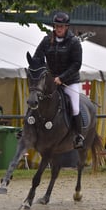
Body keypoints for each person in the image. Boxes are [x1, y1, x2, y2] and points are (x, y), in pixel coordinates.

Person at [33, 11, 84, 149]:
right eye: (56, 26)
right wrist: (39, 70)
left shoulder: (74, 42)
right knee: (35, 97)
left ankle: (78, 136)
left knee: (74, 107)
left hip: (69, 80)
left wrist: (62, 78)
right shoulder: (46, 40)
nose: (58, 29)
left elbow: (76, 64)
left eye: (61, 26)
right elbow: (37, 57)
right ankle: (28, 127)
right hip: (50, 80)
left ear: (66, 27)